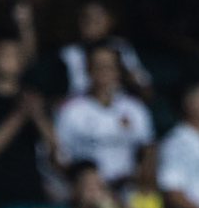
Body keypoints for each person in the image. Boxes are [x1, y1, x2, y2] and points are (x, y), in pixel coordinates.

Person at [55, 42, 154, 187]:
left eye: (109, 67)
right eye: (98, 67)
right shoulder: (71, 111)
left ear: (118, 71)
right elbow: (59, 156)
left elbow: (148, 150)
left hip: (127, 192)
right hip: (87, 195)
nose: (104, 73)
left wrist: (141, 179)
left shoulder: (135, 109)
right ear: (88, 70)